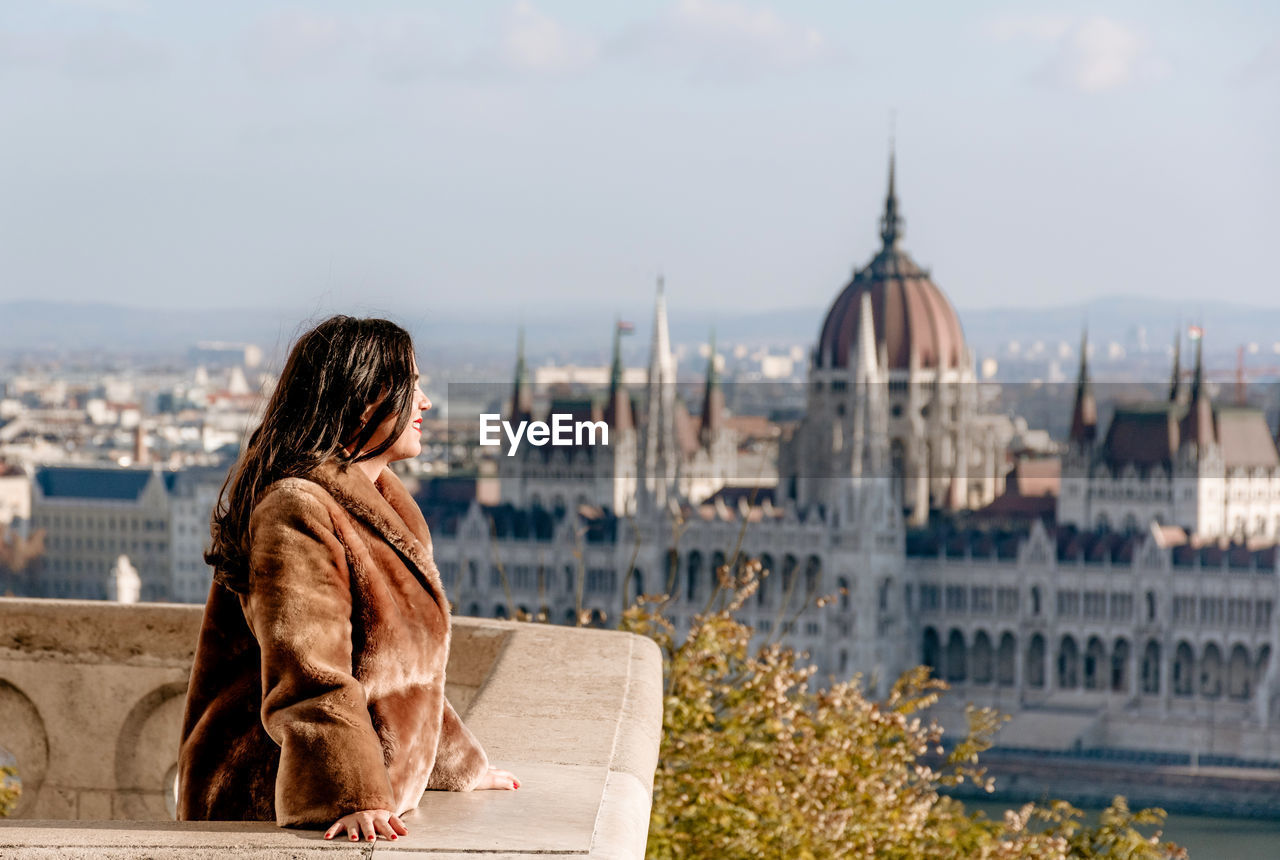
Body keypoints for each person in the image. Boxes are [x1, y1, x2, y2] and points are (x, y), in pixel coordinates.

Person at [176, 315, 518, 843]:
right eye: (412, 386)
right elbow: (309, 669)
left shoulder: (383, 506)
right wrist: (351, 793)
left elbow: (405, 672)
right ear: (362, 399)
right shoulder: (296, 509)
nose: (425, 403)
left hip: (364, 801)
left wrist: (458, 769)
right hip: (269, 800)